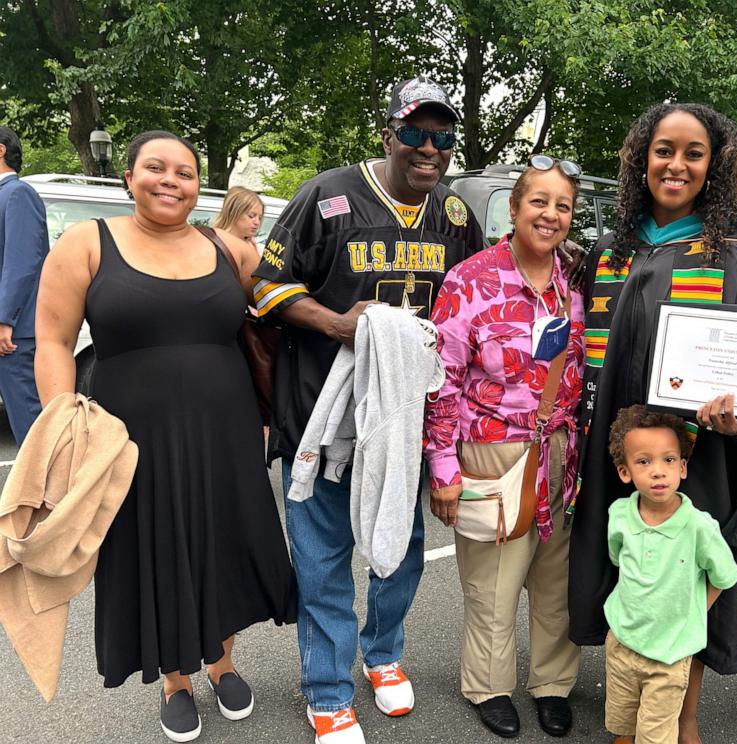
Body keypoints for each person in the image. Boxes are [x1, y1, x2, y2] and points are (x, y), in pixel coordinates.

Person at [33, 130, 297, 743]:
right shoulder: (87, 244)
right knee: (157, 548)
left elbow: (295, 294)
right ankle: (175, 680)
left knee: (224, 545)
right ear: (130, 177)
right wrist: (62, 425)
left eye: (184, 172)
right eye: (155, 167)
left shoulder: (227, 249)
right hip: (131, 437)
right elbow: (50, 340)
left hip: (226, 432)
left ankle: (222, 661)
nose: (170, 180)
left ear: (197, 187)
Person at [251, 76, 486, 744]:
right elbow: (265, 284)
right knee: (325, 562)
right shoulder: (325, 196)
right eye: (414, 132)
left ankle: (383, 653)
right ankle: (327, 689)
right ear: (387, 134)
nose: (428, 148)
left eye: (441, 137)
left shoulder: (456, 216)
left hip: (401, 422)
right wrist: (335, 323)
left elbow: (468, 309)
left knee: (400, 554)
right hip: (324, 419)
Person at [567, 102, 737, 744]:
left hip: (695, 454)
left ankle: (683, 718)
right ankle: (631, 711)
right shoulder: (610, 251)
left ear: (713, 166)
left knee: (683, 578)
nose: (677, 164)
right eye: (664, 149)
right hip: (617, 445)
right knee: (631, 570)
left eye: (694, 153)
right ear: (643, 158)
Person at [424, 157, 586, 739]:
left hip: (559, 449)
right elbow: (441, 380)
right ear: (514, 209)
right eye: (539, 202)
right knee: (493, 583)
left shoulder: (569, 279)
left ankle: (552, 683)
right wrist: (442, 466)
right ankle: (489, 685)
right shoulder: (472, 278)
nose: (551, 214)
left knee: (554, 579)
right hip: (492, 449)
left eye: (562, 206)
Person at [604, 406, 737, 744]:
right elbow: (619, 559)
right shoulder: (620, 516)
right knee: (622, 722)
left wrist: (694, 609)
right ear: (625, 472)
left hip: (670, 655)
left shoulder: (698, 527)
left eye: (668, 460)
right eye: (644, 462)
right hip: (622, 643)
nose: (657, 472)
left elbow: (724, 575)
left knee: (656, 734)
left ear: (682, 467)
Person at [0, 126, 47, 444]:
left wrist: (5, 319)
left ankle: (48, 491)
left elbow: (21, 262)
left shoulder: (18, 193)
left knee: (31, 424)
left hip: (14, 332)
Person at [214, 186, 265, 251]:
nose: (257, 222)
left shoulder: (256, 247)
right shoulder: (214, 244)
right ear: (234, 213)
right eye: (251, 216)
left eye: (260, 218)